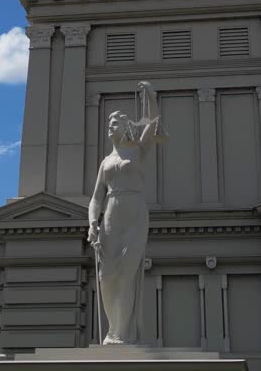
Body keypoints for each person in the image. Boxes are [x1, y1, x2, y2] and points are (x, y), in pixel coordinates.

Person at [87, 81, 166, 344]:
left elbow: (153, 124)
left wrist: (151, 98)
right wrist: (92, 223)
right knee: (106, 276)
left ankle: (120, 334)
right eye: (109, 124)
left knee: (126, 274)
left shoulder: (138, 151)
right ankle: (112, 329)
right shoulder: (106, 162)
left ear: (126, 127)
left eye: (115, 123)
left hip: (134, 214)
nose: (110, 127)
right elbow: (97, 197)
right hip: (110, 215)